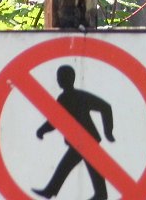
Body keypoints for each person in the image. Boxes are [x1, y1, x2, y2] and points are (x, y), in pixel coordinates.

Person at [34, 64, 115, 200]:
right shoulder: (75, 96)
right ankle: (100, 194)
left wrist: (108, 132)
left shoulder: (66, 98)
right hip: (82, 140)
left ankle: (51, 190)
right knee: (89, 166)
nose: (58, 80)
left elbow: (55, 120)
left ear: (66, 79)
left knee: (66, 165)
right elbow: (56, 120)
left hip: (84, 140)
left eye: (60, 77)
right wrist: (107, 133)